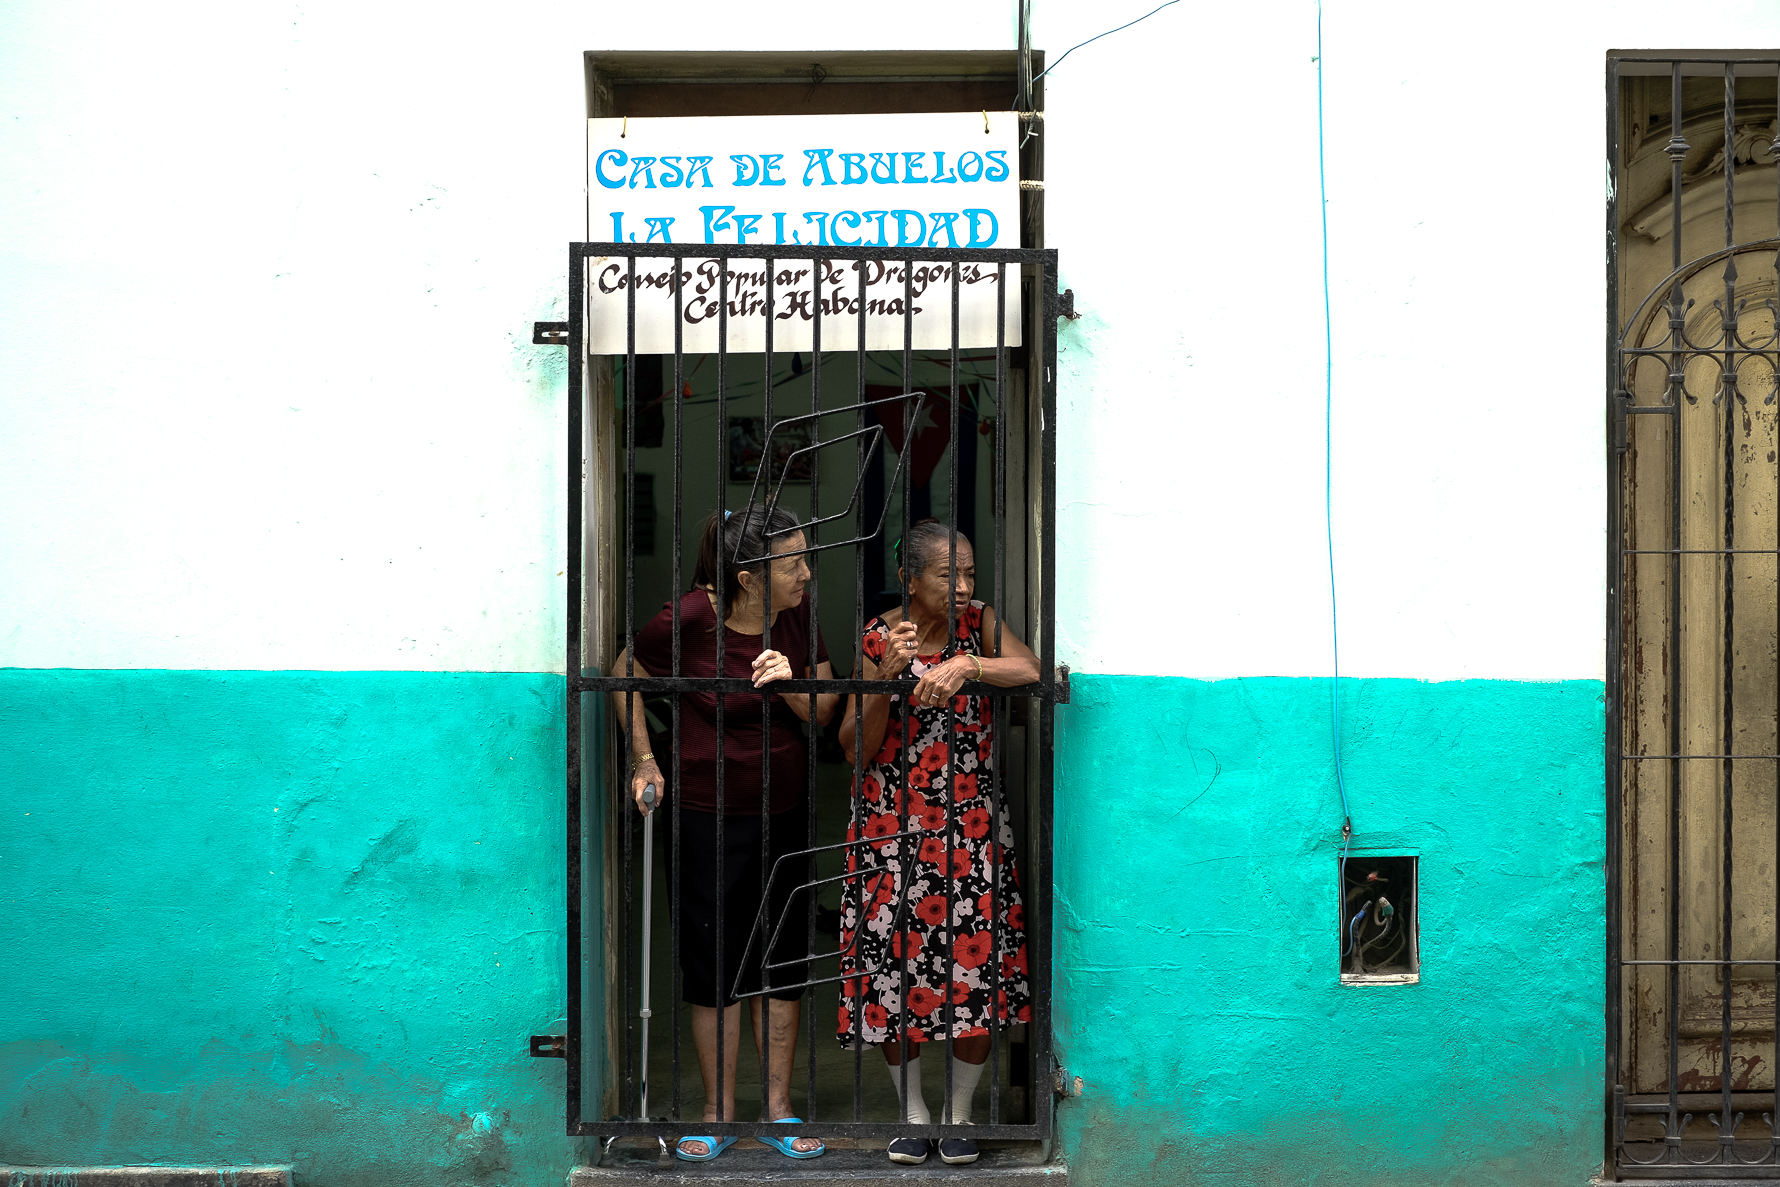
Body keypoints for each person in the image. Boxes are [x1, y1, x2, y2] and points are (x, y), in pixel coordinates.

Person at [613, 505, 840, 1162]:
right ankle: (717, 1111)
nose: (805, 572)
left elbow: (825, 711)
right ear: (747, 576)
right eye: (794, 561)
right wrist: (643, 758)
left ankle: (777, 1108)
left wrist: (789, 682)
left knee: (784, 957)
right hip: (704, 813)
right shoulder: (686, 619)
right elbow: (625, 671)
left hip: (787, 809)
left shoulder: (796, 616)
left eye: (804, 557)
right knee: (714, 961)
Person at [836, 520, 1039, 1167]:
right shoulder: (877, 636)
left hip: (969, 828)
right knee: (898, 970)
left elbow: (1029, 667)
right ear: (910, 578)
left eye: (970, 573)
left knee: (971, 970)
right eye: (949, 574)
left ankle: (959, 1113)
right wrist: (886, 682)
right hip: (890, 829)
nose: (963, 585)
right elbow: (852, 747)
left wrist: (966, 663)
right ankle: (912, 1112)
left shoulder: (977, 623)